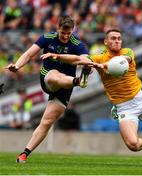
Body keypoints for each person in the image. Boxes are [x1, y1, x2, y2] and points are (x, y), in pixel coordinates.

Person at [41, 28, 142, 160]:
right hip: (125, 107)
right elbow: (77, 59)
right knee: (133, 145)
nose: (117, 41)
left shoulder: (127, 52)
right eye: (113, 38)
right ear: (106, 42)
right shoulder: (98, 58)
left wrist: (104, 66)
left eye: (119, 39)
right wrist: (57, 56)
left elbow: (123, 60)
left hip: (141, 99)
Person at [6, 15, 93, 163]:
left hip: (66, 86)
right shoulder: (47, 38)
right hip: (48, 79)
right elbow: (28, 54)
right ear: (57, 28)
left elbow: (86, 60)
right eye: (63, 32)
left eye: (68, 33)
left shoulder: (77, 43)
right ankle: (78, 81)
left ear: (72, 31)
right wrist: (17, 65)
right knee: (55, 75)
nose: (65, 36)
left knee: (46, 122)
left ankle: (24, 154)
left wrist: (87, 67)